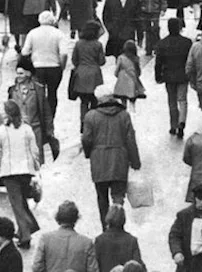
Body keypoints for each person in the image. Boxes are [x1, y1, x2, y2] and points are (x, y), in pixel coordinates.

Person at [81, 94, 141, 222]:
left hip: (99, 161)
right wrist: (135, 162)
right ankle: (117, 224)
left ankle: (105, 227)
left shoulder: (90, 116)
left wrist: (88, 153)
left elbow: (86, 138)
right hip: (119, 159)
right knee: (118, 196)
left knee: (102, 197)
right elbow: (130, 139)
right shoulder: (124, 115)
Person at [0, 100, 41, 249]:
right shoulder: (26, 128)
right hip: (26, 170)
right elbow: (34, 149)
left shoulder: (1, 130)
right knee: (22, 201)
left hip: (9, 171)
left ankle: (25, 236)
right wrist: (35, 165)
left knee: (16, 204)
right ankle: (29, 226)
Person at [32, 201, 97, 272]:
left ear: (58, 217)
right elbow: (93, 269)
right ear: (76, 219)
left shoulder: (46, 239)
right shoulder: (86, 243)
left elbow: (37, 267)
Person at [155, 17, 192, 137]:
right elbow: (190, 60)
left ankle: (173, 125)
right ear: (180, 27)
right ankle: (182, 122)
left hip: (169, 76)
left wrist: (158, 76)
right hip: (183, 75)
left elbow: (158, 62)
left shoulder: (162, 43)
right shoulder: (187, 42)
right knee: (182, 100)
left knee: (172, 101)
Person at [169, 185, 202, 272]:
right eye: (200, 199)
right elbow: (174, 236)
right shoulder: (184, 215)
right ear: (195, 198)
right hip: (188, 261)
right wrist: (177, 252)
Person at [70, 20, 107, 126]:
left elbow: (74, 60)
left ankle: (83, 122)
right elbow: (101, 61)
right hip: (94, 75)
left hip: (81, 74)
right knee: (94, 99)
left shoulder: (78, 43)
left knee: (84, 101)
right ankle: (94, 121)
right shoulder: (98, 45)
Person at [95, 206, 142, 272]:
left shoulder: (99, 240)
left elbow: (94, 266)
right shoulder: (132, 241)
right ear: (123, 220)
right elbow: (138, 267)